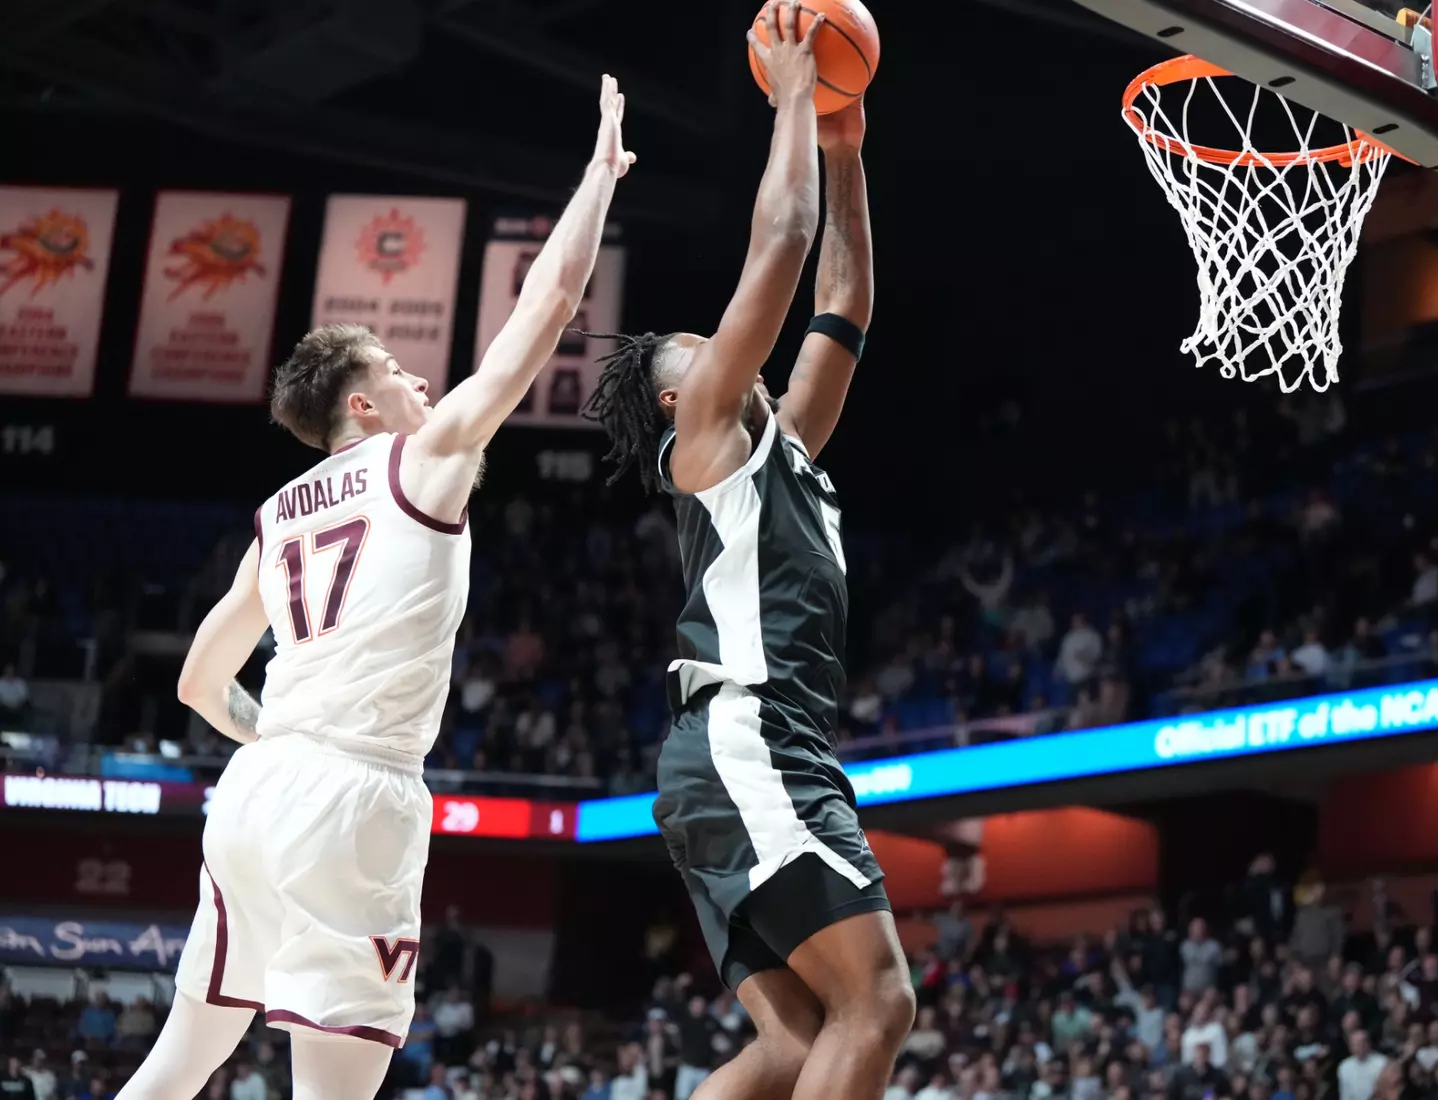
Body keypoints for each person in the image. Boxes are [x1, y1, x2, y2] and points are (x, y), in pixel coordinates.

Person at [118, 79, 633, 1100]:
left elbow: (196, 682)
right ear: (363, 402)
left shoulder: (274, 516)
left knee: (177, 1063)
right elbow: (550, 304)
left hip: (257, 797)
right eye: (399, 370)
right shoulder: (421, 457)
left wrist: (276, 743)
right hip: (355, 795)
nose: (421, 382)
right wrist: (598, 173)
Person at [583, 5, 914, 1100]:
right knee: (878, 1001)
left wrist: (844, 143)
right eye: (706, 340)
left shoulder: (786, 445)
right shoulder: (707, 432)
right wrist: (788, 92)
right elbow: (781, 245)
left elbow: (845, 293)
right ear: (683, 391)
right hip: (748, 729)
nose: (730, 341)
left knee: (794, 1041)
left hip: (743, 746)